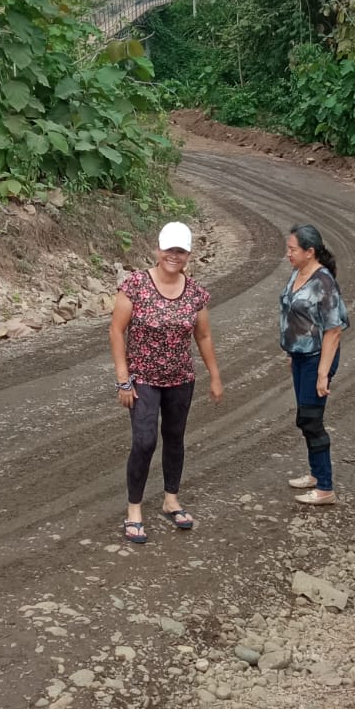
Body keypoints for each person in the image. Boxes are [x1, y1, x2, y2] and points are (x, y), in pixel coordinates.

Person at [109, 220, 222, 544]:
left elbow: (203, 335)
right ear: (157, 250)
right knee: (144, 441)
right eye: (169, 249)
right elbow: (116, 330)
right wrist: (123, 379)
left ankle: (171, 499)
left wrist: (215, 375)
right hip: (142, 379)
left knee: (174, 438)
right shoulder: (136, 285)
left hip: (180, 378)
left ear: (188, 255)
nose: (174, 256)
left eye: (181, 251)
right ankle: (134, 510)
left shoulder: (195, 293)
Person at [280, 222, 349, 506]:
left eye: (293, 249)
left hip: (317, 358)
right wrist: (292, 353)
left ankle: (325, 488)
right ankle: (315, 474)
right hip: (301, 355)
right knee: (305, 417)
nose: (288, 254)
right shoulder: (298, 273)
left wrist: (323, 373)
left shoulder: (323, 282)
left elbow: (334, 330)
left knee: (311, 420)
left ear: (310, 251)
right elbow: (297, 318)